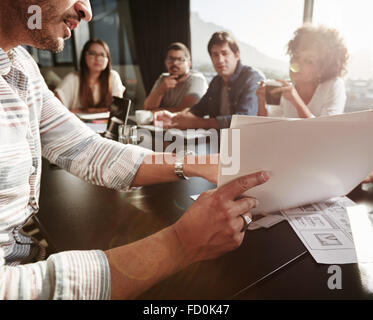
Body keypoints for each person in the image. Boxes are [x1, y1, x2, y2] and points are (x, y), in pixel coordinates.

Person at [0, 0, 270, 299]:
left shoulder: (21, 65)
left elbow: (86, 148)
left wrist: (194, 163)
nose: (87, 11)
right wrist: (179, 245)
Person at [154, 32, 265, 129]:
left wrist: (197, 123)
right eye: (215, 55)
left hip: (245, 145)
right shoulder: (217, 81)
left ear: (236, 55)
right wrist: (173, 117)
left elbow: (243, 120)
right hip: (220, 142)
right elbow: (199, 109)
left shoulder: (252, 78)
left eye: (224, 53)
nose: (220, 60)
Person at [257, 24, 349, 118]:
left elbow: (325, 129)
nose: (298, 64)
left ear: (322, 69)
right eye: (296, 57)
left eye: (309, 61)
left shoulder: (333, 85)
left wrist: (295, 100)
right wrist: (261, 102)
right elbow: (268, 127)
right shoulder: (286, 89)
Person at [55, 38, 125, 113]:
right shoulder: (72, 79)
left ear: (107, 59)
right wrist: (97, 110)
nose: (97, 58)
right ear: (84, 56)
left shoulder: (113, 76)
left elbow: (117, 110)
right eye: (92, 53)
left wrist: (84, 110)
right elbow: (56, 110)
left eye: (102, 55)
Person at [143, 42, 208, 113]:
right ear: (165, 62)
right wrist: (161, 90)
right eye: (170, 59)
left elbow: (186, 111)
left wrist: (154, 112)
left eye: (180, 59)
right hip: (164, 123)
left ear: (189, 64)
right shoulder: (163, 78)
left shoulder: (197, 79)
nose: (174, 63)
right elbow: (147, 107)